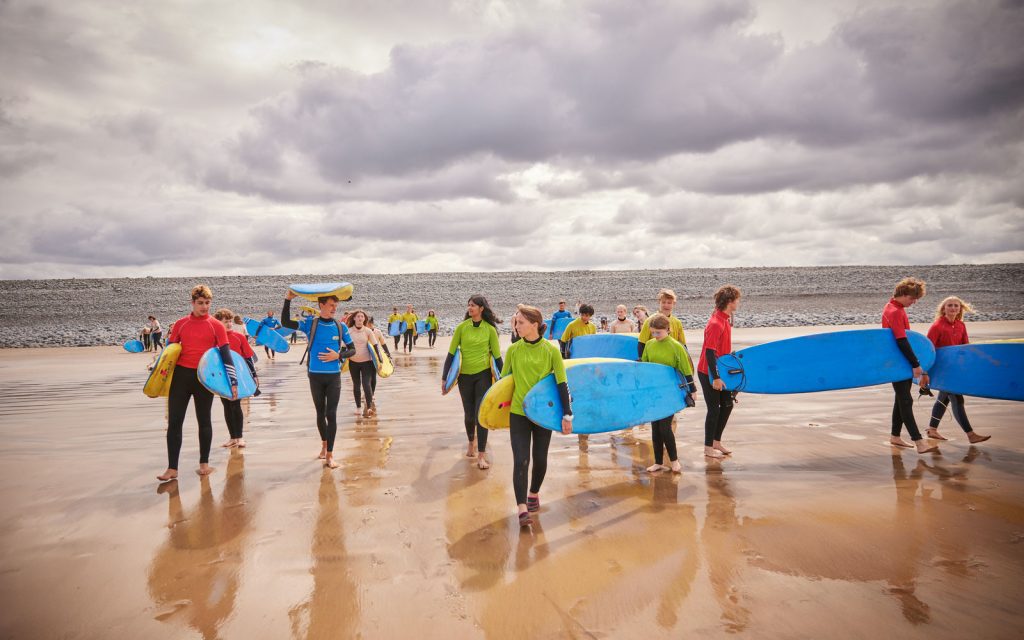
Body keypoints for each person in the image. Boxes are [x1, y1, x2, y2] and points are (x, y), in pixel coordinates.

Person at [157, 284, 238, 482]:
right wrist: (157, 381)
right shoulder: (181, 324)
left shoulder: (216, 325)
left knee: (204, 420)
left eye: (207, 303)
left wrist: (233, 382)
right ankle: (172, 468)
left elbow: (226, 355)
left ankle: (204, 464)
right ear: (192, 303)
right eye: (200, 303)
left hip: (204, 378)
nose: (204, 307)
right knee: (175, 422)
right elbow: (168, 354)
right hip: (181, 377)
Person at [501, 305, 573, 527]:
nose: (516, 326)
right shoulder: (514, 350)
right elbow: (504, 384)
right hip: (518, 413)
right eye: (516, 322)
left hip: (543, 414)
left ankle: (534, 493)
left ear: (534, 325)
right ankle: (522, 508)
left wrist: (567, 415)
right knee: (521, 460)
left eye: (521, 322)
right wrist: (495, 412)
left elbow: (562, 383)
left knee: (540, 458)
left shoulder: (551, 351)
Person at [281, 292, 356, 469]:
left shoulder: (341, 326)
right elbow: (286, 323)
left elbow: (352, 350)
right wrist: (288, 299)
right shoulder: (310, 324)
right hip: (315, 375)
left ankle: (330, 454)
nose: (334, 309)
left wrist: (339, 355)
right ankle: (324, 444)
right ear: (321, 305)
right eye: (331, 305)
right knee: (320, 413)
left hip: (333, 377)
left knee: (332, 414)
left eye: (336, 306)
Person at [443, 296, 504, 470]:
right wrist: (444, 377)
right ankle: (471, 441)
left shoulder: (490, 330)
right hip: (464, 377)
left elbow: (497, 357)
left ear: (481, 308)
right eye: (469, 305)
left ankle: (481, 455)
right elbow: (451, 354)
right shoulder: (462, 328)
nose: (469, 308)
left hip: (483, 376)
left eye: (473, 305)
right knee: (469, 415)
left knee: (480, 415)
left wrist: (506, 377)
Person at [882, 278, 939, 454]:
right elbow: (901, 340)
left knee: (901, 399)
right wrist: (915, 364)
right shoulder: (896, 311)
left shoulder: (891, 307)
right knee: (906, 400)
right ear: (904, 295)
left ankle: (895, 437)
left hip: (899, 361)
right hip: (899, 362)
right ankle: (918, 441)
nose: (914, 302)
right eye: (913, 299)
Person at [926, 296, 991, 444]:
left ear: (960, 308)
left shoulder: (961, 325)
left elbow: (965, 347)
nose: (953, 308)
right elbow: (928, 349)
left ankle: (932, 429)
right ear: (944, 308)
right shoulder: (937, 326)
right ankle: (970, 434)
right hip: (944, 369)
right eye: (950, 305)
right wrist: (926, 371)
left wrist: (967, 367)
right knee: (957, 399)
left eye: (956, 306)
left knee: (944, 398)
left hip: (956, 369)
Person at [642, 314, 697, 473]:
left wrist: (692, 390)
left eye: (658, 332)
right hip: (654, 392)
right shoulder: (650, 345)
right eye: (653, 332)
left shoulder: (676, 346)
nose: (655, 336)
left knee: (665, 427)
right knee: (655, 428)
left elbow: (686, 370)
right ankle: (658, 462)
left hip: (670, 393)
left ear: (667, 329)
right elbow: (645, 368)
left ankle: (674, 461)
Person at [697, 285, 741, 459]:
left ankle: (716, 441)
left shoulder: (724, 318)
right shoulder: (716, 323)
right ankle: (708, 448)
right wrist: (715, 378)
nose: (739, 302)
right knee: (714, 409)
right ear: (730, 301)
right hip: (708, 371)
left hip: (721, 369)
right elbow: (709, 352)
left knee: (728, 404)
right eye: (737, 299)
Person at [214, 308, 258, 448]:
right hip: (221, 378)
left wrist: (254, 375)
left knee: (235, 405)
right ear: (218, 323)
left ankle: (240, 437)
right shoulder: (214, 339)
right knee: (226, 406)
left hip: (237, 376)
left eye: (230, 321)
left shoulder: (239, 337)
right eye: (225, 322)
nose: (229, 324)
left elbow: (248, 357)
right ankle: (232, 437)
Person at [346, 309, 383, 417]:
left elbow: (375, 346)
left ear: (364, 319)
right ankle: (358, 407)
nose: (360, 318)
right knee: (356, 385)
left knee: (366, 384)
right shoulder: (349, 331)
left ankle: (369, 407)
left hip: (367, 362)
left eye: (362, 316)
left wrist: (380, 360)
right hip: (353, 362)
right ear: (354, 318)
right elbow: (344, 347)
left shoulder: (368, 331)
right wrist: (340, 359)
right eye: (358, 316)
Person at [638, 289, 690, 360]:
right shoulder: (650, 321)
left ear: (674, 304)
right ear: (659, 302)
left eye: (669, 303)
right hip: (654, 360)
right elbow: (642, 343)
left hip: (672, 361)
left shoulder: (677, 323)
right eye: (663, 302)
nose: (666, 305)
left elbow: (683, 345)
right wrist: (642, 360)